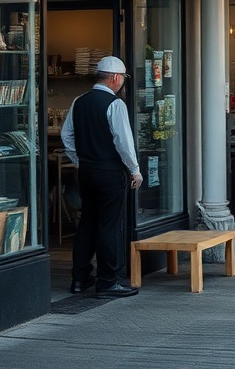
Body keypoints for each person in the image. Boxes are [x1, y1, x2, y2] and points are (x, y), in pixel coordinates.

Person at [61, 56, 142, 297]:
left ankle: (80, 278)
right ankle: (108, 281)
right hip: (109, 171)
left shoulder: (79, 101)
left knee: (87, 223)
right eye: (123, 79)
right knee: (109, 225)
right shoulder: (115, 104)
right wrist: (135, 169)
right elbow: (123, 142)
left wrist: (80, 160)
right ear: (116, 78)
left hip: (86, 171)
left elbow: (67, 136)